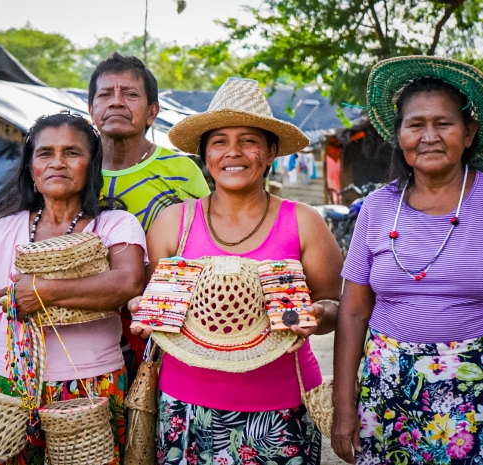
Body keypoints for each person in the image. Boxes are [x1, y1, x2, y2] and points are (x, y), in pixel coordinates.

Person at [129, 77, 343, 464]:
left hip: (280, 408)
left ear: (270, 151)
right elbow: (156, 303)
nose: (234, 152)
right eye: (219, 141)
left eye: (249, 140)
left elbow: (335, 306)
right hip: (184, 407)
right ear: (205, 154)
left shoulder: (305, 222)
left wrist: (319, 314)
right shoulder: (171, 223)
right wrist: (143, 309)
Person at [331, 56, 483, 465]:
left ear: (469, 132)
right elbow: (353, 313)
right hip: (390, 391)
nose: (429, 136)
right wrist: (343, 407)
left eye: (443, 123)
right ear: (399, 135)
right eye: (415, 124)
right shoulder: (375, 207)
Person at [0, 112, 147, 465]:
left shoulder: (114, 225)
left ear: (91, 164)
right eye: (45, 153)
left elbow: (128, 282)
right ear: (31, 166)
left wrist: (43, 291)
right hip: (7, 383)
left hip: (91, 385)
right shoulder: (3, 229)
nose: (58, 163)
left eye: (72, 153)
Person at [88, 52, 211, 370]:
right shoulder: (72, 169)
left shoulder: (181, 170)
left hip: (167, 328)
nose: (116, 102)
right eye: (105, 94)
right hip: (86, 331)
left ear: (152, 112)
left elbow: (205, 244)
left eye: (130, 94)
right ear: (91, 110)